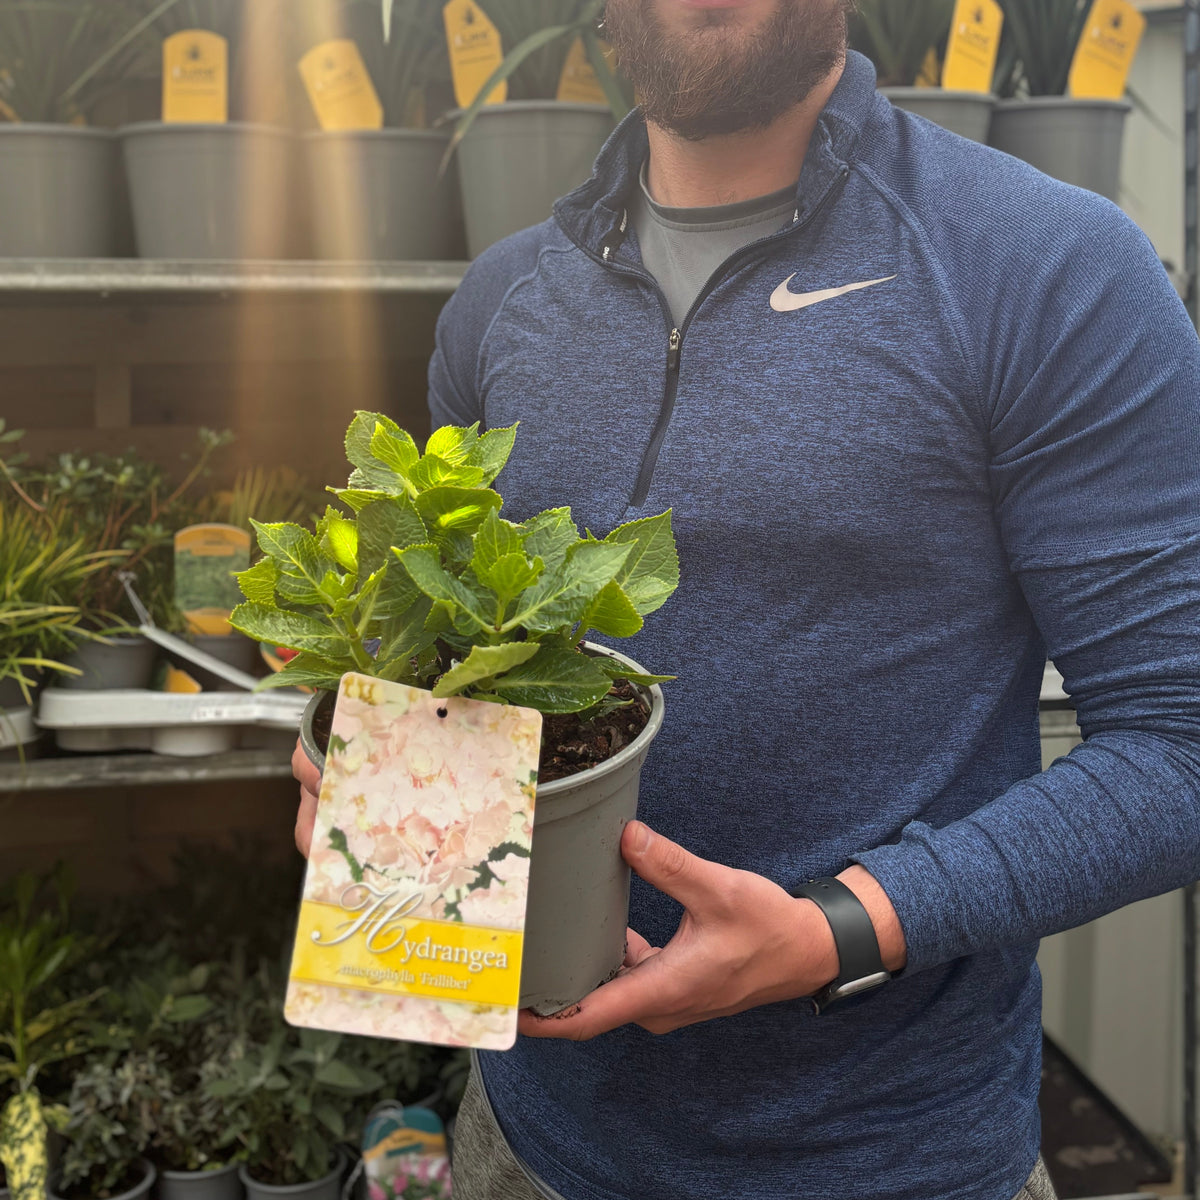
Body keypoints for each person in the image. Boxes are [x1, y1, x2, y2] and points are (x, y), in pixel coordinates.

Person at [292, 0, 1200, 1195]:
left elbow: (1179, 743)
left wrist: (839, 929)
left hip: (889, 1162)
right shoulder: (505, 299)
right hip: (530, 1144)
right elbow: (473, 666)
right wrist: (377, 795)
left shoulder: (1042, 268)